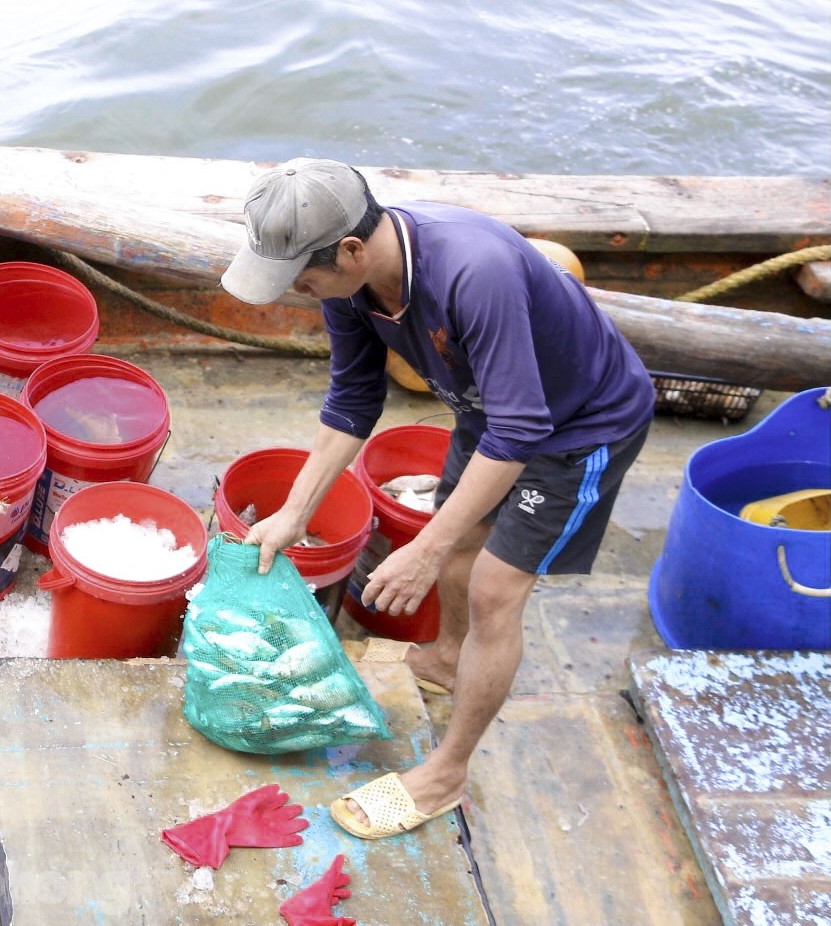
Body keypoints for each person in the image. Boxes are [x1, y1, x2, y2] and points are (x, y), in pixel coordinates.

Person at [220, 158, 654, 840]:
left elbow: (523, 431)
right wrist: (291, 514)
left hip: (578, 428)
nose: (299, 294)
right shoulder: (346, 287)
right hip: (489, 415)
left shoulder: (471, 271)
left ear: (351, 249)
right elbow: (351, 401)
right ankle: (451, 657)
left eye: (303, 279)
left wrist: (424, 545)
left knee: (492, 589)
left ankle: (447, 773)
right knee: (456, 559)